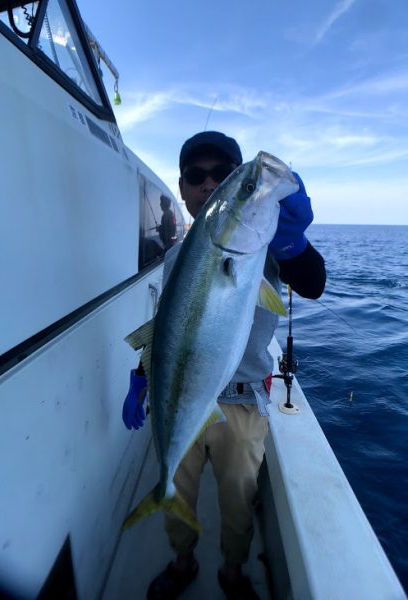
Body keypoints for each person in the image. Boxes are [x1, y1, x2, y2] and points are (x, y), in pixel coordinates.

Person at [122, 131, 326, 600]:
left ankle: (232, 571)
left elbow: (313, 283)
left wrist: (293, 246)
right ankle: (182, 559)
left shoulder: (266, 250)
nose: (209, 183)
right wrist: (139, 379)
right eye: (197, 176)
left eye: (225, 175)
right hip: (180, 399)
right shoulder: (176, 256)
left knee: (238, 498)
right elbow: (166, 330)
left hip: (242, 401)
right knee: (178, 491)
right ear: (183, 186)